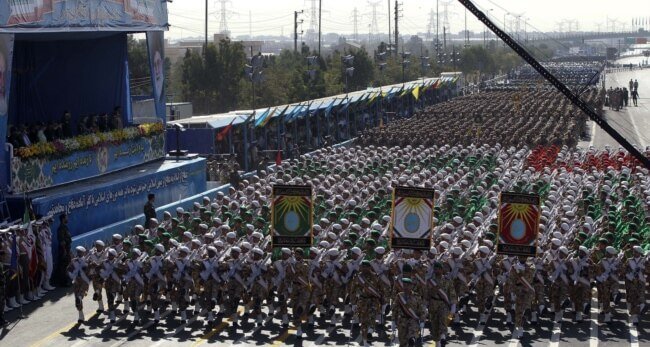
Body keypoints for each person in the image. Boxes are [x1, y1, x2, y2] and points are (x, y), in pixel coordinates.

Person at [56, 214, 72, 287]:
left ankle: (66, 280)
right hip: (64, 249)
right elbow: (62, 241)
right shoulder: (61, 228)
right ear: (63, 219)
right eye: (66, 218)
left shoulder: (65, 227)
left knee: (67, 265)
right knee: (64, 266)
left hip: (67, 248)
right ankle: (63, 282)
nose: (67, 219)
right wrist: (64, 251)